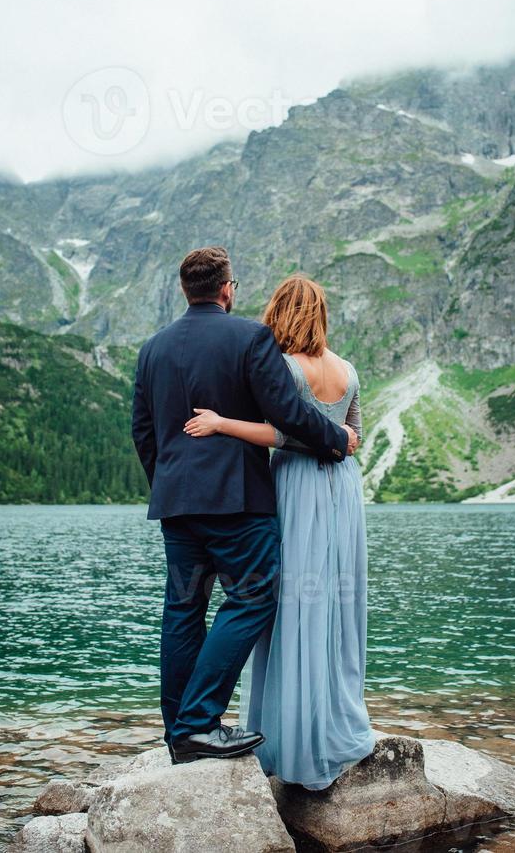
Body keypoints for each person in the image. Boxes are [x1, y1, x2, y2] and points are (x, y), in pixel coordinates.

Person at [131, 247, 357, 765]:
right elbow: (288, 412)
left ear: (185, 290)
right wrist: (336, 440)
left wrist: (168, 484)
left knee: (184, 609)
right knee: (254, 598)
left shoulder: (152, 349)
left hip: (177, 505)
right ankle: (198, 724)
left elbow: (143, 432)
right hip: (237, 503)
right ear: (228, 288)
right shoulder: (248, 337)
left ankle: (179, 734)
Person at [184, 274, 375, 789]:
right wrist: (338, 439)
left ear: (281, 313)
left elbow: (283, 434)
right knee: (334, 602)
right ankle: (336, 718)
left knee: (291, 604)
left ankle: (286, 735)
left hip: (296, 488)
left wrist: (223, 423)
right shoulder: (347, 368)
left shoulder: (284, 367)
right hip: (343, 491)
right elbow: (352, 436)